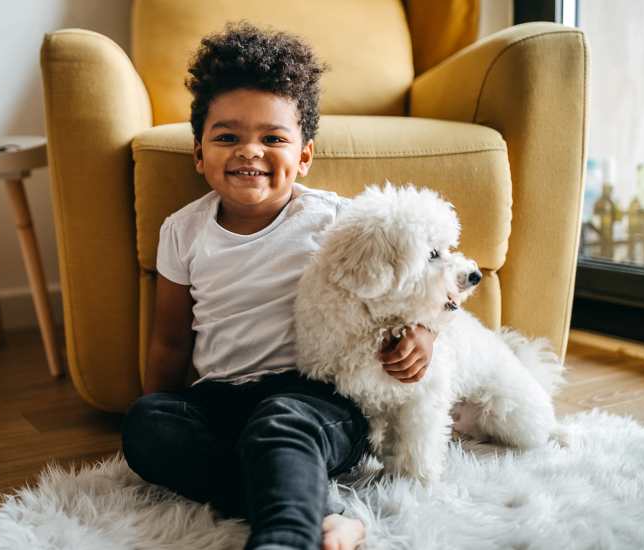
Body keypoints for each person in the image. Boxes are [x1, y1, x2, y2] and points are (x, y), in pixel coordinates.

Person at [121, 23, 436, 550]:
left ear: (304, 155)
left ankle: (284, 537)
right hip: (220, 400)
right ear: (198, 153)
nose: (249, 151)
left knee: (279, 424)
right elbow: (171, 340)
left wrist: (423, 332)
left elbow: (415, 283)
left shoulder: (337, 220)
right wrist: (167, 412)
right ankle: (326, 512)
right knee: (145, 426)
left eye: (272, 138)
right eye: (227, 137)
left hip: (316, 402)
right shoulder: (182, 230)